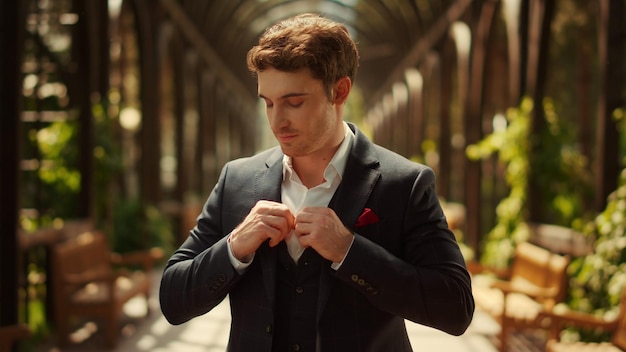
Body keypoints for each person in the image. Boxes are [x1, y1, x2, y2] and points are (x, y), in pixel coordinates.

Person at [160, 13, 474, 352]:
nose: (278, 121)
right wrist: (234, 246)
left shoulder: (405, 183)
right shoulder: (237, 179)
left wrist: (350, 251)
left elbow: (455, 308)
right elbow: (173, 300)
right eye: (268, 103)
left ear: (339, 91)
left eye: (294, 102)